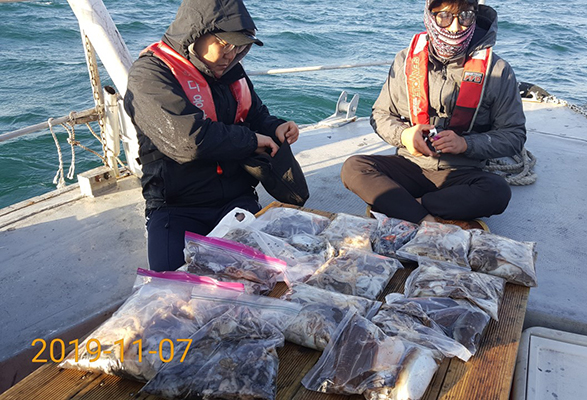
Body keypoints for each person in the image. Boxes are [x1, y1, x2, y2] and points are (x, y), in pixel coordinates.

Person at [124, 0, 299, 271]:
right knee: (174, 285)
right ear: (196, 34)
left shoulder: (231, 72)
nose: (231, 54)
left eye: (239, 47)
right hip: (176, 207)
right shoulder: (150, 75)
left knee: (265, 274)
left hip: (236, 198)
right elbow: (189, 141)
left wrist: (275, 127)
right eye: (225, 44)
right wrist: (252, 140)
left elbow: (255, 114)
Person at [341, 0, 526, 225]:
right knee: (353, 168)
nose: (455, 27)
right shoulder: (404, 61)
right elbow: (380, 115)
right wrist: (404, 135)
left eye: (465, 16)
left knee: (497, 191)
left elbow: (514, 135)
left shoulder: (498, 71)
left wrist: (466, 144)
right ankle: (430, 219)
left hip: (462, 173)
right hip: (410, 166)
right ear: (431, 16)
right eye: (444, 16)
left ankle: (406, 208)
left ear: (475, 17)